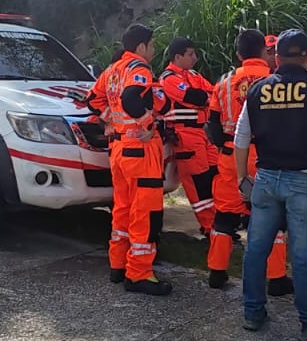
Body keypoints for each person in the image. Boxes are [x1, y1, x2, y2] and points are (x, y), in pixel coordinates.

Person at [234, 29, 307, 341]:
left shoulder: (258, 89)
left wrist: (239, 177)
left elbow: (241, 138)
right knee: (301, 256)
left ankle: (253, 313)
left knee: (256, 249)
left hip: (266, 179)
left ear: (276, 57)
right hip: (305, 181)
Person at [88, 24, 174, 296]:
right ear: (141, 47)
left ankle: (118, 266)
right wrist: (147, 122)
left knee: (122, 209)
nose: (154, 49)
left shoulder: (112, 70)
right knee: (144, 213)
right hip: (141, 149)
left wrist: (111, 122)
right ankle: (138, 274)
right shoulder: (139, 68)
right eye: (152, 44)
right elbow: (130, 99)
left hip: (119, 150)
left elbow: (92, 101)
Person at [206, 30, 290, 291]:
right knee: (273, 218)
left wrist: (225, 145)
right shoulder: (278, 81)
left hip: (232, 155)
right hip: (268, 156)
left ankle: (217, 273)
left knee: (224, 216)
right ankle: (275, 279)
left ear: (239, 54)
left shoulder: (224, 81)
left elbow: (212, 125)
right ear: (266, 52)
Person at [159, 38, 218, 238]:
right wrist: (203, 99)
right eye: (191, 54)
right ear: (178, 57)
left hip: (204, 133)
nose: (195, 58)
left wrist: (204, 99)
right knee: (198, 181)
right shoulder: (168, 78)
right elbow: (196, 97)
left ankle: (218, 223)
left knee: (214, 176)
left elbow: (212, 94)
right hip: (185, 135)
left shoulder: (193, 75)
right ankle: (209, 226)